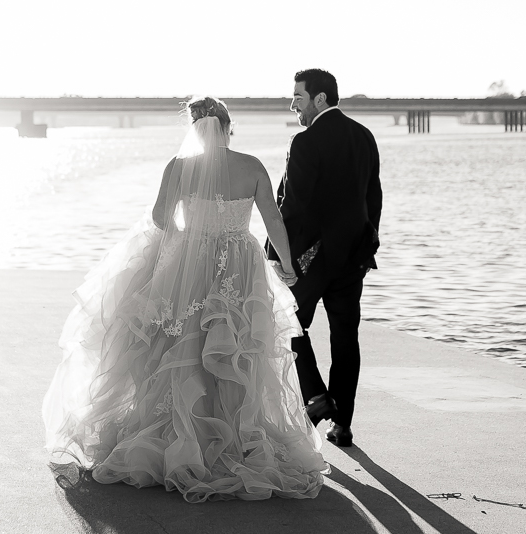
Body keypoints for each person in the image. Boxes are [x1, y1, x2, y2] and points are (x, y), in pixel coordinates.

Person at [42, 96, 326, 502]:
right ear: (228, 127)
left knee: (184, 344)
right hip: (239, 264)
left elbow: (159, 217)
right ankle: (234, 437)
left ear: (193, 129)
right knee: (237, 348)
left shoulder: (179, 167)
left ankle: (182, 439)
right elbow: (273, 218)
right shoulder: (252, 165)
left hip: (189, 261)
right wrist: (287, 265)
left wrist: (189, 234)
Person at [269, 68, 382, 447]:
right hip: (353, 260)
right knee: (346, 338)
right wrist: (368, 247)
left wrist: (276, 256)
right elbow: (374, 199)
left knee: (288, 326)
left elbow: (292, 206)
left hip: (311, 260)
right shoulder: (364, 137)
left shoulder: (304, 142)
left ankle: (316, 396)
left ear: (319, 99)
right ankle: (343, 424)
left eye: (298, 98)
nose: (293, 106)